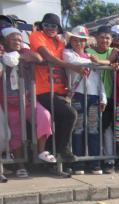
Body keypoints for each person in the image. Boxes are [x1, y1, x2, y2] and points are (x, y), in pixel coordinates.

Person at [0, 27, 54, 178]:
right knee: (16, 133)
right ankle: (20, 165)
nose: (17, 42)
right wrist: (5, 59)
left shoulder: (24, 52)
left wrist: (19, 57)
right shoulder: (1, 54)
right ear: (4, 41)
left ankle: (41, 152)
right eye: (13, 39)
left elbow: (38, 58)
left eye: (19, 39)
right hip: (8, 102)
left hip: (28, 100)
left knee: (44, 116)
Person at [29, 13, 83, 162]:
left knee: (63, 120)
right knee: (70, 114)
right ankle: (62, 151)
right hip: (43, 90)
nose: (50, 28)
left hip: (60, 90)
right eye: (46, 25)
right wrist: (72, 66)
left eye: (54, 26)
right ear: (42, 26)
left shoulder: (60, 42)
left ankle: (54, 156)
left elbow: (74, 48)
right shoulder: (36, 35)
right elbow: (49, 58)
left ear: (58, 27)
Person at [63, 25, 107, 175]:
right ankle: (78, 163)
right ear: (71, 40)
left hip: (94, 95)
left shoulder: (91, 56)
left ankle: (95, 162)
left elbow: (98, 79)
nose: (79, 43)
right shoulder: (68, 53)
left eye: (82, 40)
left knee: (93, 129)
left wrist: (103, 97)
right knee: (78, 128)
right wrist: (94, 61)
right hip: (77, 94)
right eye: (76, 40)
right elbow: (75, 62)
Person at [87, 25, 119, 173]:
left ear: (111, 39)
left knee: (106, 129)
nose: (104, 40)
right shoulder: (89, 51)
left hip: (109, 95)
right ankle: (94, 159)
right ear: (96, 38)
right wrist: (105, 63)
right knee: (93, 128)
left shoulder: (114, 51)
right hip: (92, 94)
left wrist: (99, 63)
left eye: (108, 37)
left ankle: (109, 161)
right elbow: (104, 62)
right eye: (102, 37)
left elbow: (111, 59)